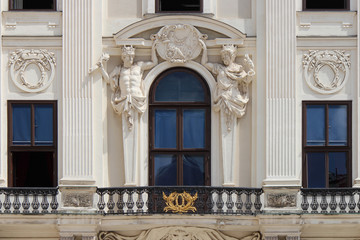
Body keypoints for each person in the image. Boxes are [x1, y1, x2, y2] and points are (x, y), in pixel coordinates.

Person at [98, 44, 158, 130]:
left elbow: (154, 63)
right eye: (128, 56)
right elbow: (108, 80)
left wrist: (153, 49)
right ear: (123, 57)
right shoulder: (119, 69)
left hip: (137, 99)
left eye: (132, 56)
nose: (131, 59)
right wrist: (101, 68)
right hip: (124, 99)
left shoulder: (139, 66)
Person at [201, 43, 255, 130]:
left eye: (226, 56)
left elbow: (246, 80)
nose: (224, 58)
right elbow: (205, 63)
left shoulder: (238, 69)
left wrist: (251, 69)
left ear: (232, 56)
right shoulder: (219, 68)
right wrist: (204, 49)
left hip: (234, 96)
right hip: (222, 96)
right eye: (223, 56)